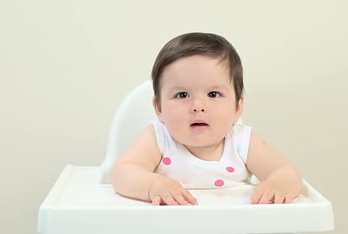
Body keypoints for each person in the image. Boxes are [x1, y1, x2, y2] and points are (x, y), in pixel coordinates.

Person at [112, 32, 303, 206]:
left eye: (213, 94)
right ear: (159, 108)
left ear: (237, 107)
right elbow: (122, 173)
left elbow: (286, 172)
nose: (198, 106)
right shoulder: (158, 139)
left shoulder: (243, 142)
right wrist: (155, 186)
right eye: (182, 95)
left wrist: (277, 185)